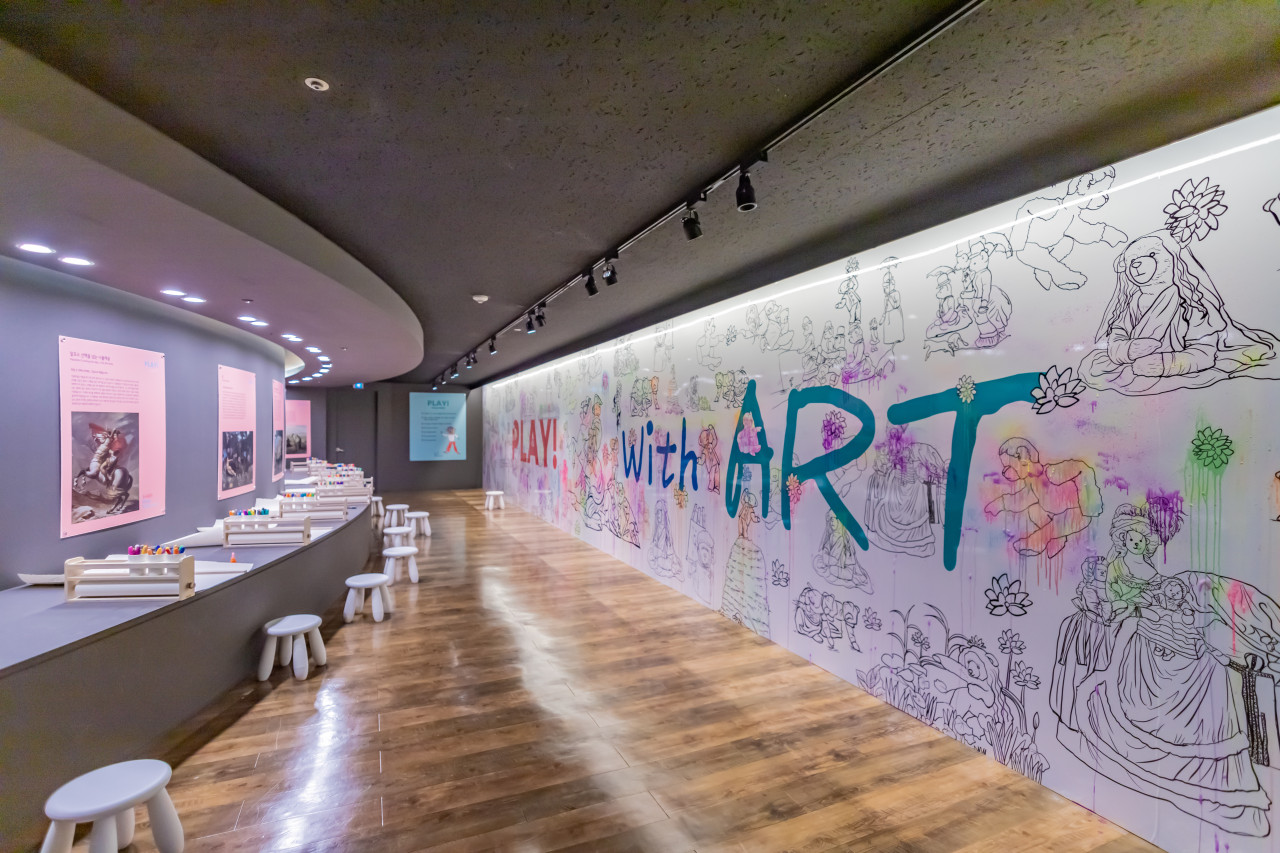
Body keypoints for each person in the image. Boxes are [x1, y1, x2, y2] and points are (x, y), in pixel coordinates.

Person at [1079, 230, 1278, 395]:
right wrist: (1126, 350)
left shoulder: (1190, 302)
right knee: (1093, 365)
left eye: (1151, 255)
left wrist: (1167, 364)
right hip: (1137, 361)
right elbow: (1118, 333)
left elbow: (1204, 350)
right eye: (1132, 260)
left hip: (1169, 362)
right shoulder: (1134, 301)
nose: (1137, 264)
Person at [984, 437, 1102, 559]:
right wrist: (1000, 504)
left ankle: (1038, 541)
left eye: (1009, 466)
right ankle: (1055, 541)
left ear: (1024, 459)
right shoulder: (1031, 482)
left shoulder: (1051, 473)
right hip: (1054, 514)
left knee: (1060, 522)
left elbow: (1082, 468)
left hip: (1078, 514)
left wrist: (1092, 503)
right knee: (1033, 511)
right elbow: (1021, 499)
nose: (1005, 472)